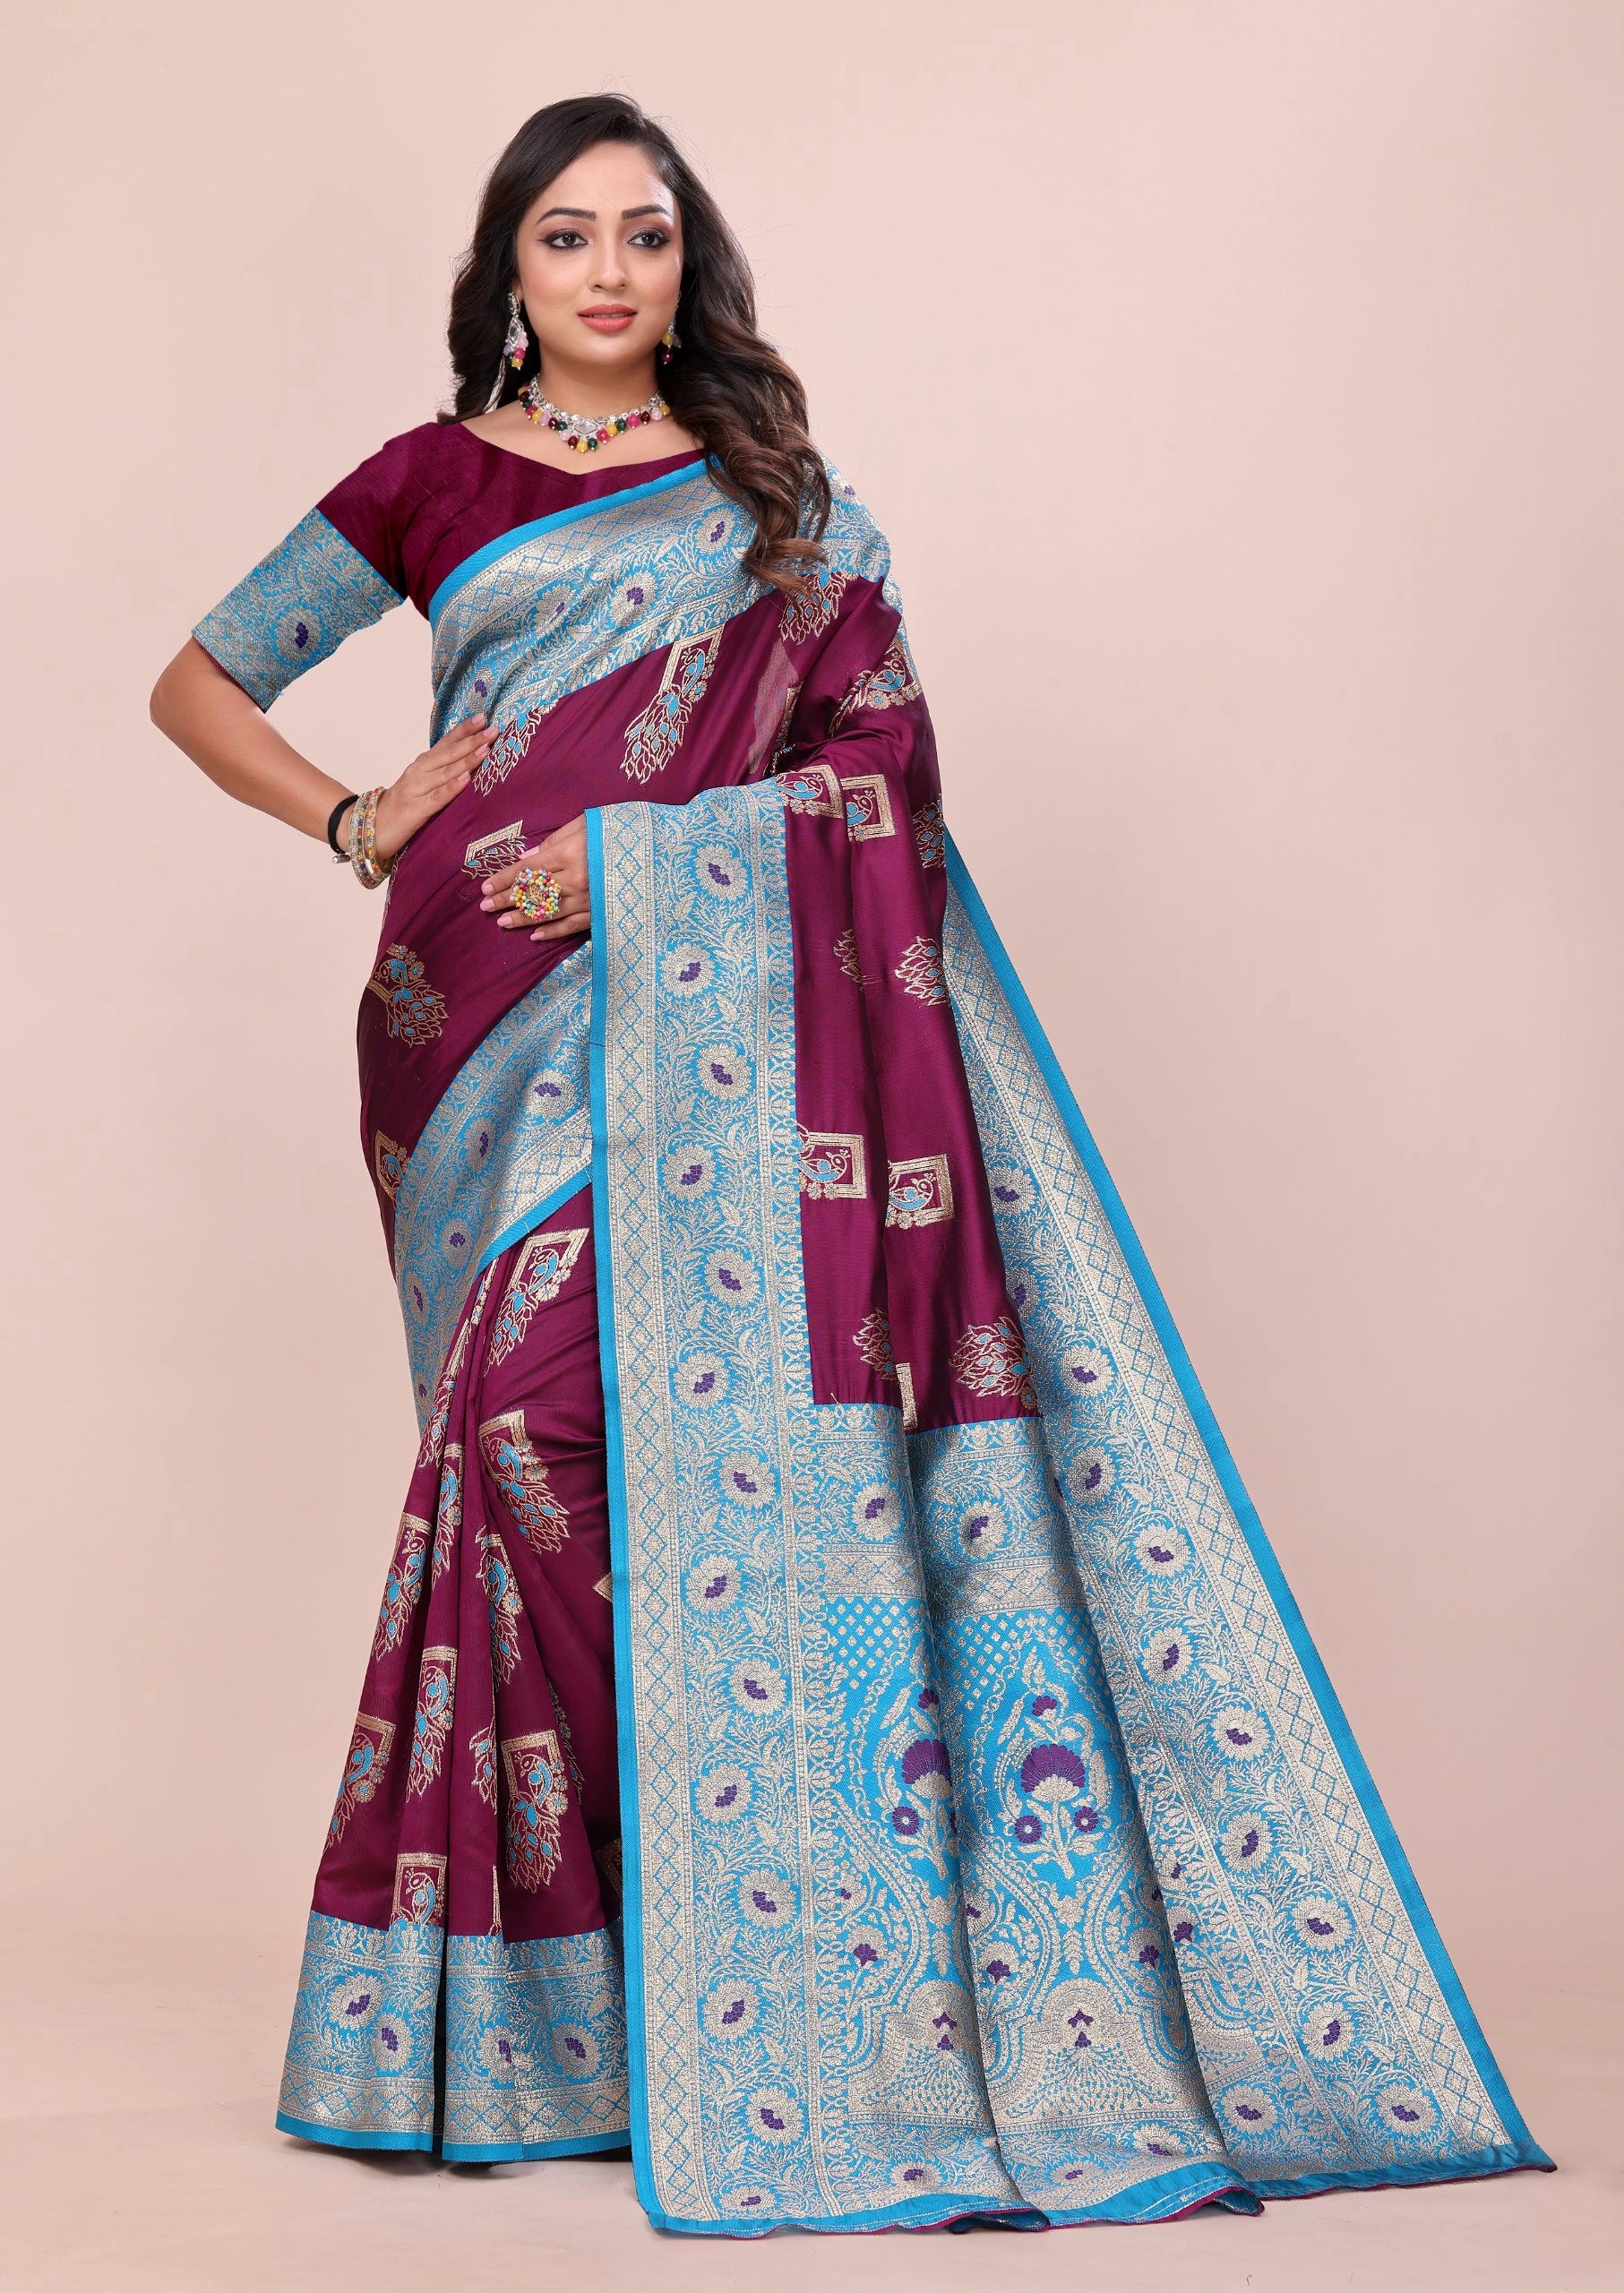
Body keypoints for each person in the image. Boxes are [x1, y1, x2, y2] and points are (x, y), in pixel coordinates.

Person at [150, 91, 1549, 2238]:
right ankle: (533, 2018)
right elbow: (198, 675)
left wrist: (633, 866)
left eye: (642, 236)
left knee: (626, 1474)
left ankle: (712, 2000)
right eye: (562, 239)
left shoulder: (787, 512)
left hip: (712, 1049)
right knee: (511, 1462)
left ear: (686, 268)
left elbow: (878, 776)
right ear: (506, 281)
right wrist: (357, 816)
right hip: (474, 1048)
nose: (607, 272)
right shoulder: (426, 483)